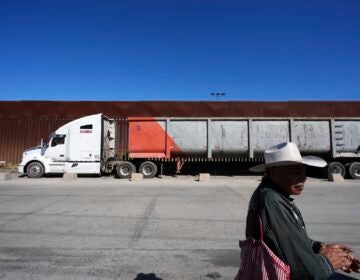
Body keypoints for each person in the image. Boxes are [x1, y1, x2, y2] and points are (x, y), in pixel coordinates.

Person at [246, 142, 360, 280]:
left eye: (303, 172)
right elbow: (303, 271)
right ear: (272, 172)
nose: (303, 178)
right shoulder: (272, 201)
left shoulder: (275, 196)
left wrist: (320, 248)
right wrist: (328, 262)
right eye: (295, 172)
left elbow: (289, 240)